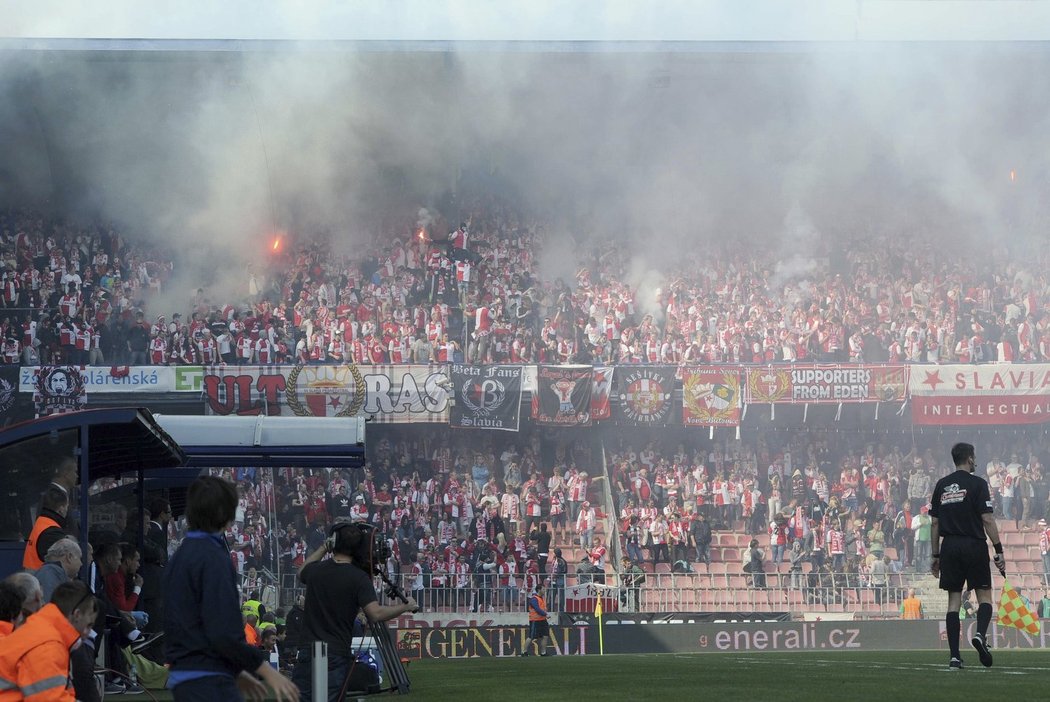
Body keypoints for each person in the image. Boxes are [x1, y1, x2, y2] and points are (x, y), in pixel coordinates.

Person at [164, 476, 299, 702]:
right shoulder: (213, 558)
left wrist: (237, 672)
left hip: (186, 675)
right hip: (209, 679)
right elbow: (222, 631)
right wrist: (265, 669)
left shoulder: (180, 557)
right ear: (225, 515)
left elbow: (195, 624)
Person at [291, 521, 417, 701]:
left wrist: (323, 548)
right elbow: (375, 614)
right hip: (334, 653)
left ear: (333, 542)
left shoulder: (316, 570)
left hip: (307, 651)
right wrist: (405, 606)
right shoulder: (358, 578)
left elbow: (300, 572)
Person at [930, 442, 1005, 670]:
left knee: (954, 602)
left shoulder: (942, 485)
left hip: (950, 546)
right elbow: (987, 519)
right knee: (984, 598)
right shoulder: (979, 484)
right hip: (974, 545)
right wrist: (998, 549)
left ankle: (954, 657)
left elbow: (934, 523)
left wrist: (935, 555)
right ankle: (980, 635)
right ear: (970, 459)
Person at [0, 580, 97, 701]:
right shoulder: (48, 646)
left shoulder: (41, 631)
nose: (87, 633)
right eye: (88, 625)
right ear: (77, 615)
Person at [22, 487, 69, 571]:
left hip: (34, 578)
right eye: (66, 506)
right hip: (43, 581)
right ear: (61, 509)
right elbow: (64, 564)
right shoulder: (52, 532)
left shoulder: (42, 522)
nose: (66, 510)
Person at [32, 537, 83, 602]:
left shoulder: (51, 573)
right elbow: (49, 608)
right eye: (79, 558)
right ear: (69, 557)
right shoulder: (48, 575)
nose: (81, 564)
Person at [520, 581, 552, 657]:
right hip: (535, 620)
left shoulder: (542, 599)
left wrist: (544, 615)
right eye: (543, 589)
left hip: (543, 620)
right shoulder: (534, 599)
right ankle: (524, 651)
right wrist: (545, 614)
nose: (544, 591)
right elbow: (537, 609)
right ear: (539, 590)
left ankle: (543, 652)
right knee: (531, 636)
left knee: (545, 636)